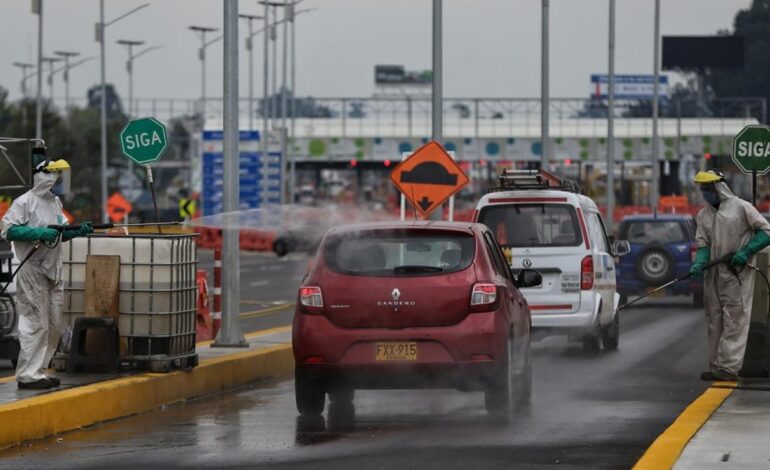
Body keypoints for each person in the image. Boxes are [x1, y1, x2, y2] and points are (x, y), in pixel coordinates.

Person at [0, 151, 93, 389]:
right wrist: (37, 233)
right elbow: (8, 230)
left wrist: (76, 231)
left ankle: (40, 371)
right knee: (35, 323)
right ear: (44, 176)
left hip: (53, 269)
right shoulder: (25, 202)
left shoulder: (55, 203)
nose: (60, 181)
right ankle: (27, 375)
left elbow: (59, 233)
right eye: (56, 176)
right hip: (32, 270)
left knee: (53, 325)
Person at [689, 170, 770, 381]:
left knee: (734, 319)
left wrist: (745, 252)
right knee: (714, 320)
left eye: (708, 188)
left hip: (737, 274)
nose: (705, 193)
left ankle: (729, 368)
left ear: (719, 187)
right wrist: (699, 262)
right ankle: (716, 365)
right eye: (703, 189)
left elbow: (766, 231)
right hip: (713, 275)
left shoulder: (741, 208)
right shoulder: (704, 215)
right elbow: (703, 244)